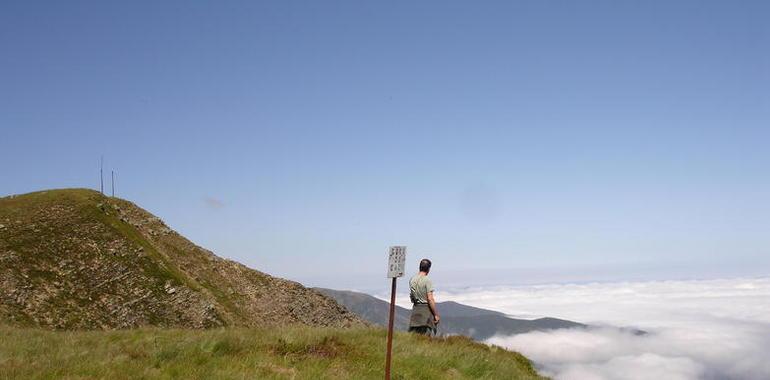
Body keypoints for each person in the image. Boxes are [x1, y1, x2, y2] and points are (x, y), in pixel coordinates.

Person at [408, 258, 440, 335]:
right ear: (428, 269)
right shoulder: (427, 280)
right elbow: (430, 299)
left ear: (420, 267)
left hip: (415, 309)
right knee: (425, 336)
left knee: (414, 335)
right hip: (425, 311)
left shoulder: (412, 279)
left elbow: (412, 296)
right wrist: (436, 314)